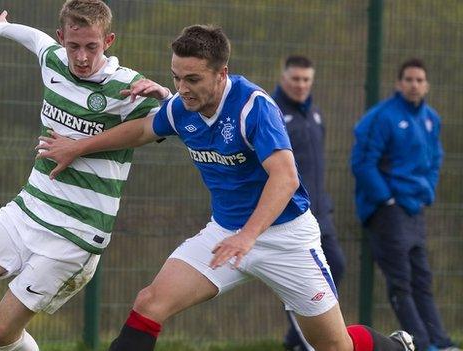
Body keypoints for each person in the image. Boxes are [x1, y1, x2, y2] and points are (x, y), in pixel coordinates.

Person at [37, 25, 415, 351]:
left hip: (286, 238)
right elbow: (140, 130)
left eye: (193, 79)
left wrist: (248, 236)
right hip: (224, 234)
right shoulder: (182, 107)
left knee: (332, 346)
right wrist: (77, 147)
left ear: (222, 74)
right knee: (150, 302)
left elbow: (286, 179)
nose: (182, 89)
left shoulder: (254, 108)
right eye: (176, 78)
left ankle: (395, 346)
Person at [0, 1, 161, 350]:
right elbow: (35, 40)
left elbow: (178, 118)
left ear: (109, 41)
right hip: (28, 210)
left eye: (92, 46)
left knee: (1, 332)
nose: (82, 57)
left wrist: (163, 93)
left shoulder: (127, 86)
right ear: (63, 39)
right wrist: (0, 27)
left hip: (76, 233)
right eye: (74, 46)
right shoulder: (54, 60)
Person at [351, 59, 459, 351]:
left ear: (427, 85)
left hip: (415, 209)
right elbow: (362, 163)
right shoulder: (381, 117)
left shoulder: (431, 119)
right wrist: (386, 199)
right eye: (409, 79)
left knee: (422, 279)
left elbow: (435, 159)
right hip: (389, 211)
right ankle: (422, 344)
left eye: (420, 80)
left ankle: (441, 342)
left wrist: (428, 191)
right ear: (399, 83)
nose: (414, 85)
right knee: (401, 282)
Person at [272, 55, 346, 351]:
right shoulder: (273, 112)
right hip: (290, 216)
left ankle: (295, 340)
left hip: (319, 213)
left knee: (336, 266)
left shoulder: (314, 113)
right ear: (283, 78)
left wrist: (324, 203)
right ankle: (306, 343)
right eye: (295, 79)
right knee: (299, 282)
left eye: (306, 80)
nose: (301, 85)